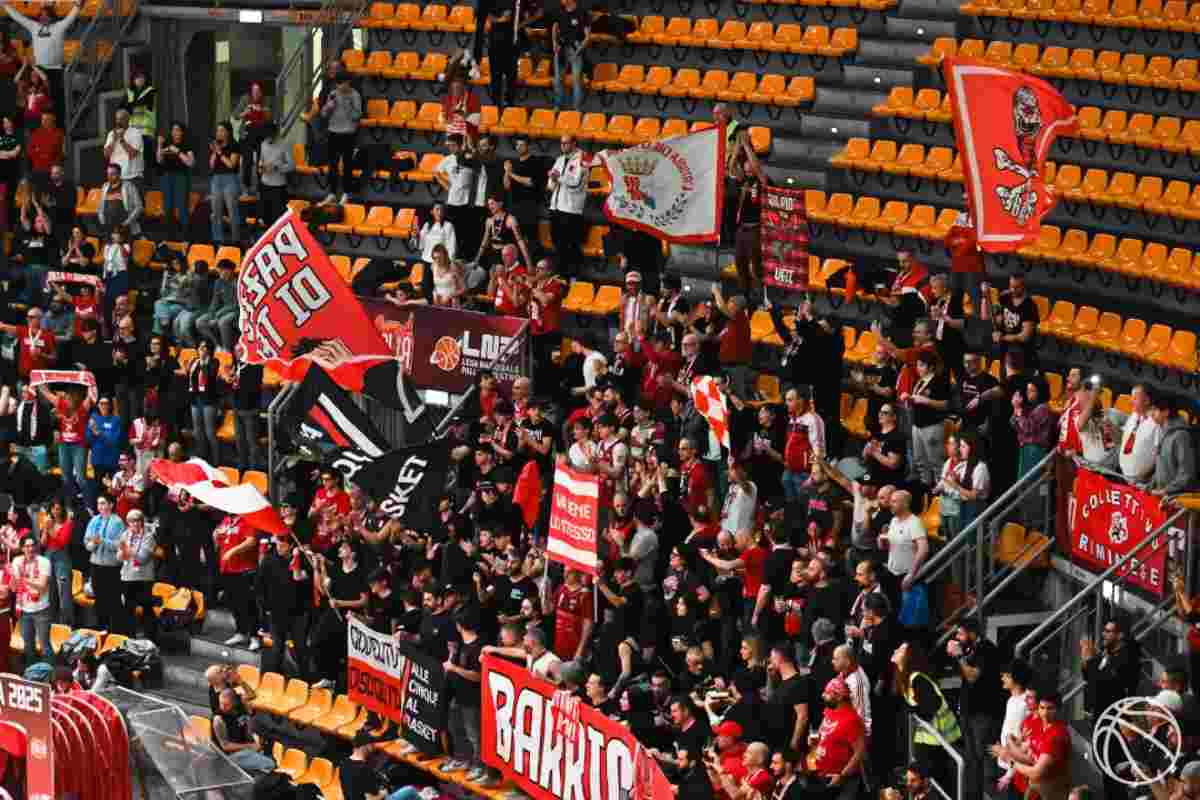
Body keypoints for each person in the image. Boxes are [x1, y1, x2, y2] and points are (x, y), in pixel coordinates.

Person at [5, 0, 82, 115]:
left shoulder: (59, 26)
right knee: (39, 104)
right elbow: (19, 18)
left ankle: (60, 123)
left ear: (51, 17)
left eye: (46, 15)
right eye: (41, 15)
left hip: (56, 71)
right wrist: (5, 5)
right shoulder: (34, 27)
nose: (43, 18)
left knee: (57, 102)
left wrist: (78, 5)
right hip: (39, 70)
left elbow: (71, 17)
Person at [547, 135, 588, 276]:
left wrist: (558, 178)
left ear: (574, 143)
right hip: (556, 207)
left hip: (571, 210)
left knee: (571, 247)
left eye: (566, 143)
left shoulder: (582, 159)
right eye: (561, 143)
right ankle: (560, 276)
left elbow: (576, 184)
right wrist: (553, 179)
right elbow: (550, 185)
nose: (563, 146)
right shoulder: (559, 160)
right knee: (557, 245)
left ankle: (574, 277)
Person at [320, 71, 363, 205]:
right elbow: (323, 114)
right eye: (337, 84)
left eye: (342, 84)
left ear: (348, 82)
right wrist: (328, 107)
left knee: (347, 165)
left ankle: (346, 193)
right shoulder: (333, 94)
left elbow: (357, 116)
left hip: (348, 134)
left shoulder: (355, 95)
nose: (339, 87)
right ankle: (332, 193)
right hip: (333, 132)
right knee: (332, 165)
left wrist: (347, 105)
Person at [84, 495, 125, 631]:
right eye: (98, 504)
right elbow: (86, 542)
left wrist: (102, 541)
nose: (100, 507)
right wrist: (92, 544)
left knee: (112, 599)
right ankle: (101, 627)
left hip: (111, 567)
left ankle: (116, 629)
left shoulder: (118, 522)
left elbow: (119, 545)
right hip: (95, 564)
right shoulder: (94, 520)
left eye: (103, 503)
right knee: (99, 598)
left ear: (111, 505)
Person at [212, 687, 277, 773]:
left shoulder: (240, 708)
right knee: (270, 764)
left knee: (270, 754)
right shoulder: (218, 720)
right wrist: (250, 745)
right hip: (229, 756)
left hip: (246, 748)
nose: (223, 707)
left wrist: (255, 739)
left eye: (226, 704)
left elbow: (252, 695)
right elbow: (225, 746)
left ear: (234, 702)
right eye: (221, 704)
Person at [10, 534, 50, 667]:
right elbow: (14, 588)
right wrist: (12, 577)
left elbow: (42, 587)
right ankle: (31, 672)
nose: (30, 549)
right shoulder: (17, 561)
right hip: (23, 610)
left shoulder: (44, 562)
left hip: (41, 610)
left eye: (32, 545)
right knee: (28, 645)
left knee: (44, 645)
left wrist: (24, 578)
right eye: (27, 546)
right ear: (22, 548)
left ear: (36, 547)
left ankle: (50, 674)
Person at [117, 509, 157, 640]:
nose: (134, 524)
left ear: (141, 522)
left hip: (144, 578)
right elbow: (119, 557)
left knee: (146, 608)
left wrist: (127, 550)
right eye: (131, 521)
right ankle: (130, 637)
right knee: (128, 608)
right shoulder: (125, 535)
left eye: (137, 521)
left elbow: (142, 558)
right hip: (127, 576)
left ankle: (151, 638)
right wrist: (123, 553)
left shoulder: (148, 537)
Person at [157, 122, 194, 237]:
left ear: (182, 132)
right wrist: (160, 145)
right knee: (167, 207)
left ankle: (185, 235)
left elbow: (190, 163)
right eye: (173, 130)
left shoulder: (186, 144)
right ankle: (169, 235)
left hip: (181, 177)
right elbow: (159, 160)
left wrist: (177, 151)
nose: (175, 132)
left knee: (182, 206)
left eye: (178, 130)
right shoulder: (167, 143)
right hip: (166, 177)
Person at [551, 0, 590, 109]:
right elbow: (555, 27)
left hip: (576, 47)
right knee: (558, 79)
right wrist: (554, 42)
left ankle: (577, 108)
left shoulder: (582, 13)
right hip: (561, 47)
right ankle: (557, 106)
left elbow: (587, 37)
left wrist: (578, 52)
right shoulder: (559, 11)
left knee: (576, 80)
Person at [208, 122, 241, 243]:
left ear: (228, 132)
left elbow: (231, 165)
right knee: (216, 212)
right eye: (218, 131)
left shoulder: (234, 145)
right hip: (216, 179)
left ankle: (236, 240)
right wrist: (214, 152)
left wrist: (220, 153)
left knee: (232, 211)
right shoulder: (216, 146)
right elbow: (211, 165)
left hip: (230, 179)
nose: (219, 133)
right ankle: (218, 240)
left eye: (222, 130)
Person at [256, 122, 292, 227]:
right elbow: (261, 160)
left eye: (270, 137)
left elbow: (291, 165)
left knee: (278, 220)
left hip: (278, 187)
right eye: (266, 137)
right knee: (264, 218)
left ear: (275, 134)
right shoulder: (263, 144)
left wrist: (276, 167)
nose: (268, 139)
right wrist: (260, 167)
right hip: (265, 185)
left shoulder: (284, 144)